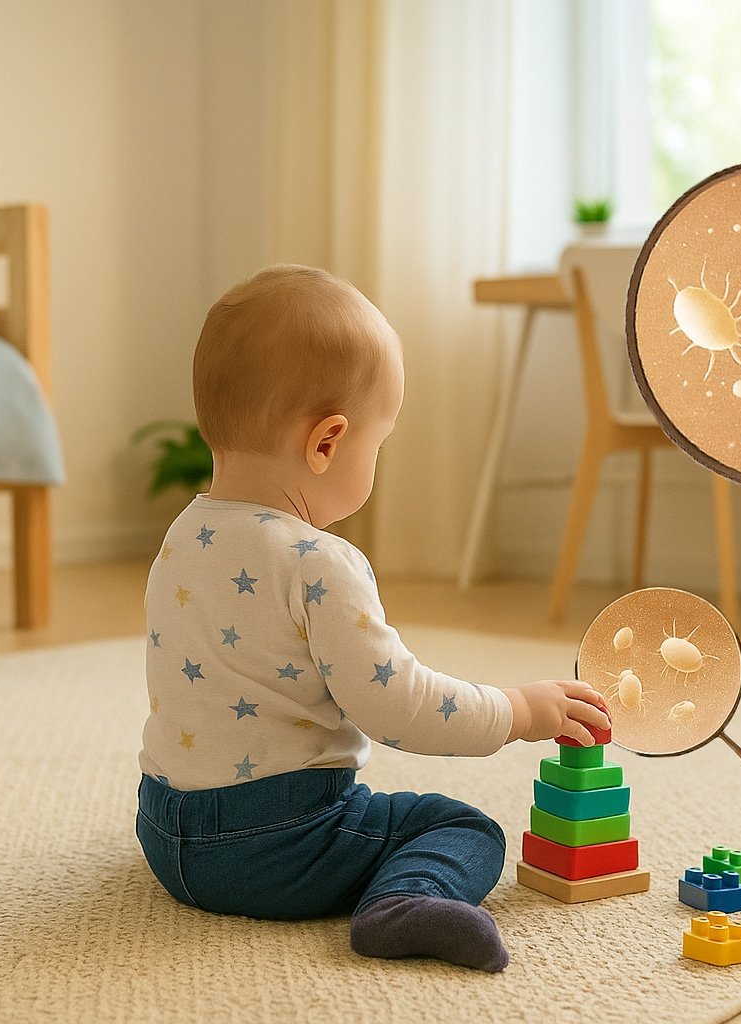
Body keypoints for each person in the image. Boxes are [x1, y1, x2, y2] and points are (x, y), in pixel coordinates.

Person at [136, 264, 610, 972]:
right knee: (462, 826)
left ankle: (221, 859)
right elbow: (398, 706)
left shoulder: (182, 536)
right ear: (327, 443)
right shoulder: (319, 561)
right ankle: (404, 904)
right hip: (279, 844)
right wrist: (517, 711)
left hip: (166, 836)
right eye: (377, 443)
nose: (375, 460)